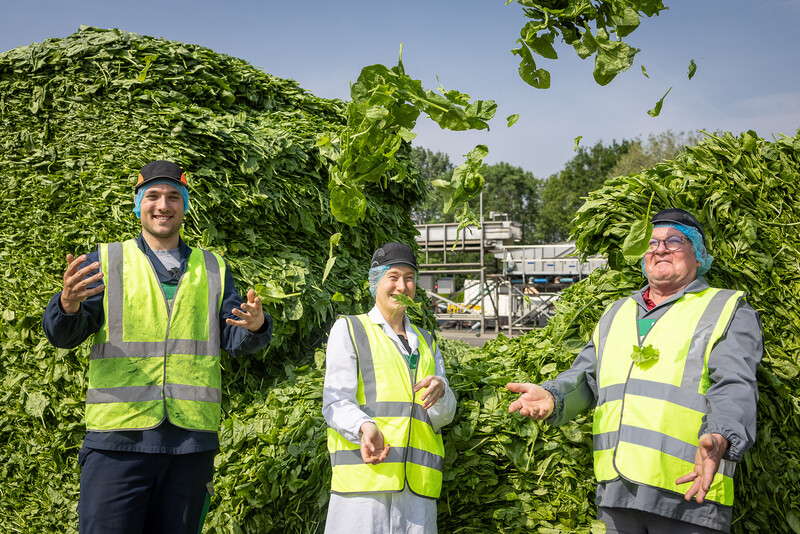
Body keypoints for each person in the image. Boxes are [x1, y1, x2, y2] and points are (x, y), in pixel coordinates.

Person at [42, 160, 273, 534]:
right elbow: (64, 335)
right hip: (118, 442)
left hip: (189, 446)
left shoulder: (214, 268)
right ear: (138, 205)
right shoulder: (108, 260)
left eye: (173, 197)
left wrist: (257, 326)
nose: (162, 205)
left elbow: (234, 336)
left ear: (184, 206)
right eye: (152, 196)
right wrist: (67, 306)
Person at [507, 209, 763, 534]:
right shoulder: (617, 312)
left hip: (687, 494)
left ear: (698, 255)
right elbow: (586, 378)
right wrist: (554, 396)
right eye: (651, 242)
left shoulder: (725, 309)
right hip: (616, 495)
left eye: (674, 241)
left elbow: (734, 387)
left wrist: (721, 437)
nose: (660, 249)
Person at [322, 242, 457, 533]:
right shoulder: (350, 329)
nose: (402, 286)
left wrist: (442, 391)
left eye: (409, 278)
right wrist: (364, 426)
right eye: (393, 276)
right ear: (375, 282)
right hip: (364, 486)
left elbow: (444, 417)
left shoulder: (427, 341)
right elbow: (335, 401)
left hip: (417, 492)